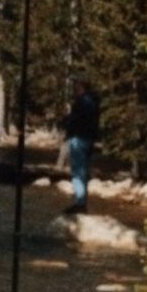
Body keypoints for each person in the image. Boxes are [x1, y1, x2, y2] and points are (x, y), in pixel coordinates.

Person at [63, 78, 100, 214]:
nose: (75, 90)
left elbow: (75, 120)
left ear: (81, 87)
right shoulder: (94, 101)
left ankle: (80, 203)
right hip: (89, 139)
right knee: (83, 170)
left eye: (76, 87)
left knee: (78, 171)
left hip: (78, 138)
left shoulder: (81, 102)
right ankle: (81, 201)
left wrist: (67, 122)